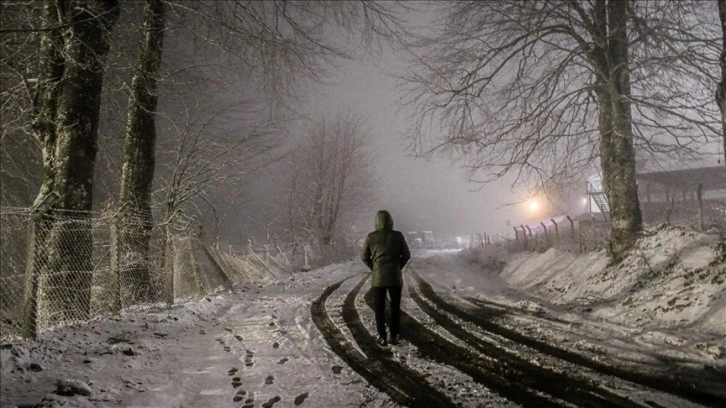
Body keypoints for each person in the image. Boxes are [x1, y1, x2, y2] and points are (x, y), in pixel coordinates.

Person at [360, 210, 411, 347]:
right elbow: (406, 255)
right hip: (395, 277)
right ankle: (394, 336)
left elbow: (364, 256)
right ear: (390, 221)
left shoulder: (371, 237)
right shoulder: (398, 236)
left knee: (379, 308)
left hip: (378, 279)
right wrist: (397, 267)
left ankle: (382, 336)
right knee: (395, 307)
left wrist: (375, 268)